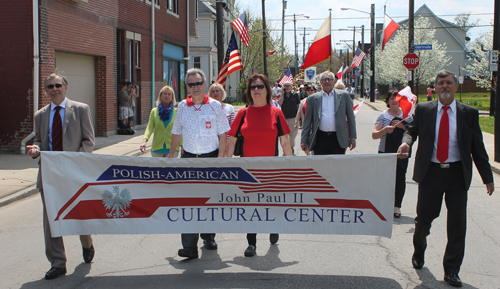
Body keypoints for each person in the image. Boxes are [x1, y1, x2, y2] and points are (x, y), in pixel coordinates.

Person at [397, 70, 494, 287]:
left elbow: (478, 147)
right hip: (431, 173)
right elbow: (411, 131)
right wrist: (406, 143)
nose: (445, 86)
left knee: (457, 225)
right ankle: (419, 248)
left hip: (457, 174)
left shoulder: (468, 113)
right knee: (424, 219)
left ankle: (451, 270)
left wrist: (487, 176)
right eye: (441, 83)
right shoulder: (424, 109)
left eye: (449, 82)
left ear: (456, 86)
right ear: (435, 87)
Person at [26, 73, 95, 280]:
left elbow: (88, 141)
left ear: (65, 87)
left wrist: (75, 163)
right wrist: (35, 149)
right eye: (49, 86)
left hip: (74, 173)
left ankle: (87, 242)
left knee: (78, 212)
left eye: (57, 85)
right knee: (51, 219)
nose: (54, 89)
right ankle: (58, 262)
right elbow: (39, 140)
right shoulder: (40, 115)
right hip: (49, 174)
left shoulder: (81, 109)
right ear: (46, 90)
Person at [226, 73, 293, 257]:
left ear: (267, 90)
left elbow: (285, 142)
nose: (256, 89)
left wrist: (292, 164)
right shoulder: (243, 113)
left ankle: (273, 227)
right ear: (249, 91)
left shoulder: (276, 112)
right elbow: (231, 141)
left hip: (270, 169)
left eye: (260, 86)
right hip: (247, 169)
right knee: (250, 206)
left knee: (269, 203)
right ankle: (252, 243)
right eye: (253, 87)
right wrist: (225, 163)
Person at [168, 68, 230, 259]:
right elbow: (176, 132)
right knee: (188, 202)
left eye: (198, 83)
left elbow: (223, 134)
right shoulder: (182, 107)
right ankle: (189, 246)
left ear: (204, 85)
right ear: (187, 86)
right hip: (188, 159)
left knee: (209, 200)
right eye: (191, 84)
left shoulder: (215, 105)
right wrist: (171, 157)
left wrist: (220, 158)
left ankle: (209, 236)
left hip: (210, 158)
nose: (195, 87)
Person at [372, 90, 412, 218]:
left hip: (402, 152)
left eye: (397, 98)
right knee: (384, 180)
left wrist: (403, 127)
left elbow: (413, 133)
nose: (394, 101)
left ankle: (397, 206)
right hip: (385, 152)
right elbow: (374, 135)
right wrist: (384, 130)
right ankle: (383, 205)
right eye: (391, 99)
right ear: (388, 101)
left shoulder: (408, 116)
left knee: (400, 179)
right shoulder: (383, 116)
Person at [300, 71, 357, 155]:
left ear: (334, 81)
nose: (327, 81)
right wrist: (304, 140)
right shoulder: (312, 99)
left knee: (337, 166)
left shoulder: (344, 96)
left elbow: (351, 118)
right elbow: (307, 121)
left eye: (329, 79)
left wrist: (352, 137)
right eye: (324, 79)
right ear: (320, 82)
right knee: (320, 166)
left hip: (338, 138)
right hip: (320, 138)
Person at [140, 85, 182, 157]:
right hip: (157, 149)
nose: (167, 96)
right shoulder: (154, 111)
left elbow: (179, 130)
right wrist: (144, 141)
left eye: (169, 94)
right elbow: (149, 128)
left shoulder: (176, 111)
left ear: (172, 97)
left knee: (170, 168)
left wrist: (182, 145)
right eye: (165, 94)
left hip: (172, 149)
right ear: (161, 96)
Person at [277, 81, 300, 154]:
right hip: (284, 119)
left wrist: (299, 118)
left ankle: (291, 147)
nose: (287, 87)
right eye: (285, 86)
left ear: (291, 87)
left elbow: (298, 106)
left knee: (292, 135)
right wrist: (283, 94)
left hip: (293, 118)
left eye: (288, 86)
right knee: (284, 135)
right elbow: (279, 103)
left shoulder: (295, 95)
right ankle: (286, 149)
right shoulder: (281, 95)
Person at [294, 84, 317, 155]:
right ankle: (308, 156)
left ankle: (313, 156)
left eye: (311, 90)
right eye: (308, 90)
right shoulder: (303, 101)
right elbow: (299, 112)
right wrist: (296, 122)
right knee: (305, 144)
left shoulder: (318, 100)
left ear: (315, 91)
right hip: (306, 125)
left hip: (315, 125)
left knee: (314, 143)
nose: (310, 91)